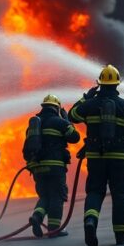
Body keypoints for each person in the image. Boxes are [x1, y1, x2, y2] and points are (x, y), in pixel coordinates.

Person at [69, 65, 124, 246]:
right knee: (120, 194)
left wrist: (86, 98)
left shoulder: (90, 104)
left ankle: (90, 221)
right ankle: (121, 235)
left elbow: (72, 115)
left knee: (95, 191)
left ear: (99, 84)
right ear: (117, 84)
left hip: (95, 157)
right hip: (118, 158)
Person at [23, 94, 81, 238]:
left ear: (43, 107)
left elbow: (26, 150)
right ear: (56, 108)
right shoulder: (59, 122)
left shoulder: (33, 125)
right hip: (55, 167)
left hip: (37, 168)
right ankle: (54, 229)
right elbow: (75, 137)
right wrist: (67, 120)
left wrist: (31, 164)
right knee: (57, 196)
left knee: (45, 196)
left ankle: (37, 217)